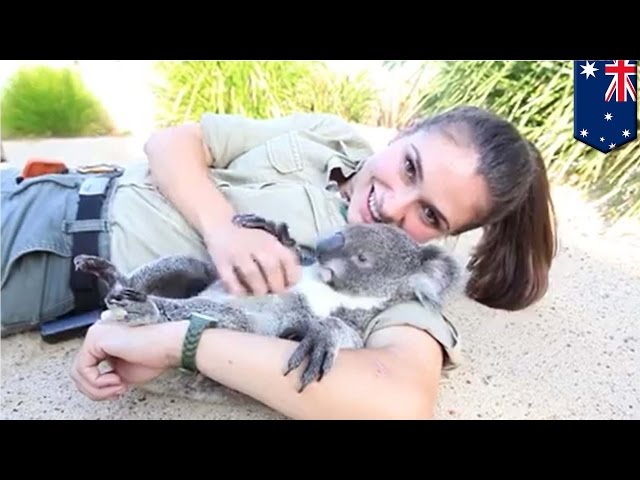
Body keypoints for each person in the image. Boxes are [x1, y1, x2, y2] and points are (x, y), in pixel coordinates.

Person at [0, 105, 557, 419]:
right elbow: (171, 143)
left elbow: (399, 399)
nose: (391, 205)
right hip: (47, 184)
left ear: (445, 239)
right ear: (406, 129)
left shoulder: (403, 277)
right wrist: (221, 229)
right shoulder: (327, 136)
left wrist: (181, 342)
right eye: (409, 167)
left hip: (44, 259)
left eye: (430, 215)